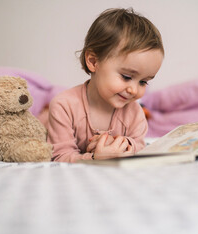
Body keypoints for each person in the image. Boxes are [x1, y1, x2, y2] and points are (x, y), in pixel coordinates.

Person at [47, 8, 164, 162]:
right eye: (127, 76)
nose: (134, 90)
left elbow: (139, 147)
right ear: (94, 62)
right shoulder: (64, 105)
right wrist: (96, 158)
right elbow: (59, 156)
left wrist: (121, 145)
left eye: (143, 82)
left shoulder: (135, 112)